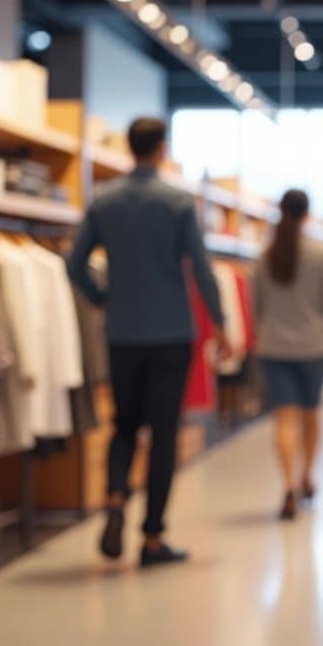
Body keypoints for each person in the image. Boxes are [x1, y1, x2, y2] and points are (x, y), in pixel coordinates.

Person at [66, 116, 234, 568]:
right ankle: (153, 536)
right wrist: (220, 324)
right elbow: (201, 270)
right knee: (163, 436)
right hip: (172, 334)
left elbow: (74, 262)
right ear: (160, 148)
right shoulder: (178, 203)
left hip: (122, 331)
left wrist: (102, 298)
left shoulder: (104, 203)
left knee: (124, 425)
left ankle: (116, 497)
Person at [252, 189, 323, 521]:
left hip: (274, 347)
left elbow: (257, 306)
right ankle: (308, 475)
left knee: (284, 419)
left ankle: (288, 484)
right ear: (307, 215)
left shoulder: (265, 255)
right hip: (314, 347)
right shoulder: (320, 254)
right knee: (310, 415)